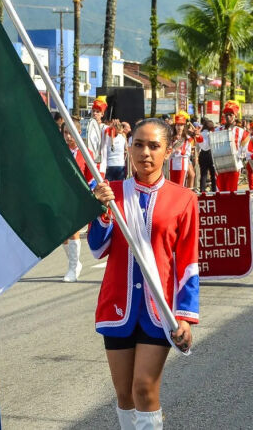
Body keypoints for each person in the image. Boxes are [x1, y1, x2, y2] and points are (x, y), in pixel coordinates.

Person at [88, 118, 198, 429]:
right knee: (124, 393)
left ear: (168, 151)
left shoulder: (184, 199)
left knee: (144, 388)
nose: (144, 153)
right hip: (117, 305)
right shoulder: (112, 193)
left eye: (154, 146)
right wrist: (101, 211)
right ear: (128, 148)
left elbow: (188, 262)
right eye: (138, 144)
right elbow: (97, 248)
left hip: (159, 309)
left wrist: (186, 316)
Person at [61, 120, 95, 282]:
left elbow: (90, 178)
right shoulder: (60, 151)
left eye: (71, 132)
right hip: (61, 195)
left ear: (79, 133)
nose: (68, 136)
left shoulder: (86, 153)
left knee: (72, 228)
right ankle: (74, 263)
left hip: (77, 197)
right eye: (66, 132)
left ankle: (73, 267)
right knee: (63, 234)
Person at [215, 101, 250, 192]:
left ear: (235, 116)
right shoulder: (217, 130)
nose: (228, 116)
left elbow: (245, 151)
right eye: (226, 114)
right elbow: (206, 145)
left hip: (234, 167)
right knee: (220, 192)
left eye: (231, 114)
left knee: (231, 192)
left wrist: (238, 155)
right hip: (220, 166)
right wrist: (198, 136)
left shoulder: (242, 132)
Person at [168, 111, 196, 188]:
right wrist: (174, 148)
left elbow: (187, 152)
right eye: (177, 125)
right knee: (172, 186)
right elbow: (168, 151)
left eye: (181, 125)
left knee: (180, 186)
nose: (179, 127)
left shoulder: (187, 138)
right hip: (172, 163)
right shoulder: (170, 138)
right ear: (175, 126)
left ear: (184, 126)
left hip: (182, 163)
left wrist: (179, 152)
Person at [87, 96, 110, 177]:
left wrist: (114, 131)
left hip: (100, 164)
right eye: (93, 111)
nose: (95, 113)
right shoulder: (87, 127)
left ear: (102, 114)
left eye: (97, 112)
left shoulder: (105, 128)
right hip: (88, 162)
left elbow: (110, 136)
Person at [197, 118, 216, 192]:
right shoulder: (212, 134)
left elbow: (198, 146)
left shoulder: (200, 134)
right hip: (211, 153)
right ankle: (214, 191)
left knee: (203, 175)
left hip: (202, 154)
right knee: (213, 175)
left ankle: (202, 191)